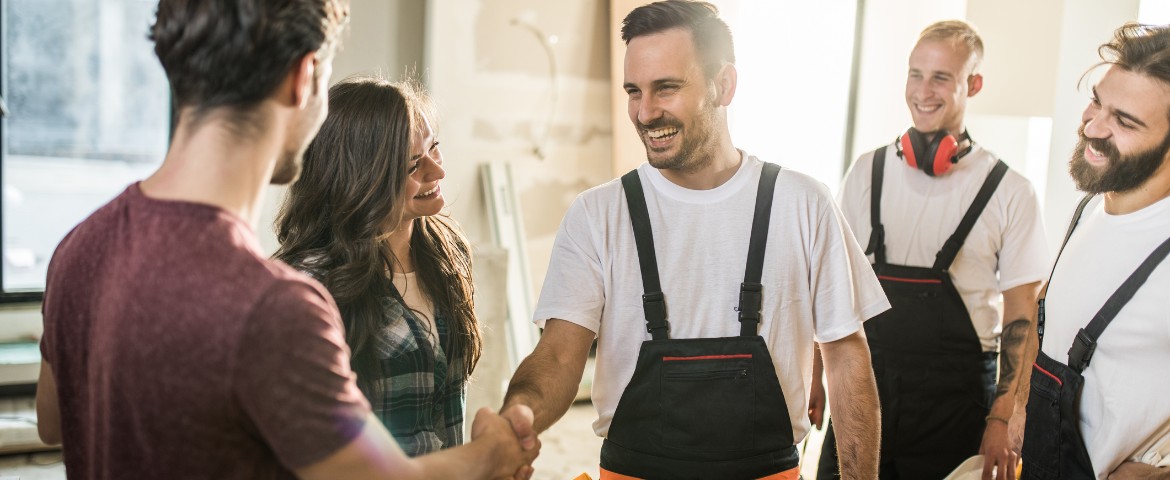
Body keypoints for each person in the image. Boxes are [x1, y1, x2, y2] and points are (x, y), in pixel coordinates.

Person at [34, 1, 536, 478]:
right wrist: (492, 452)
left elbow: (53, 422)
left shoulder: (79, 248)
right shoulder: (275, 305)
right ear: (304, 77)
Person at [498, 1, 887, 479]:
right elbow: (558, 354)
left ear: (723, 85)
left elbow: (847, 356)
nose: (644, 112)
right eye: (633, 91)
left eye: (666, 88)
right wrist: (518, 414)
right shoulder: (597, 214)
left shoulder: (803, 204)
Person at [816, 20, 1048, 480]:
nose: (923, 90)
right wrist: (813, 375)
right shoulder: (867, 172)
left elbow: (1022, 312)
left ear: (973, 84)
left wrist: (1003, 416)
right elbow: (831, 283)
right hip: (867, 388)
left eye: (941, 77)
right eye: (915, 74)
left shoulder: (1009, 191)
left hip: (958, 402)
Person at [274, 76, 481, 457]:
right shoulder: (310, 285)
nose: (437, 173)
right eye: (413, 165)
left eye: (435, 148)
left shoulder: (446, 253)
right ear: (362, 178)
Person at [1019, 23, 1170, 480]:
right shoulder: (1088, 209)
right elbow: (1045, 311)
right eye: (1097, 101)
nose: (1092, 125)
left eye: (1124, 121)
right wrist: (1015, 412)